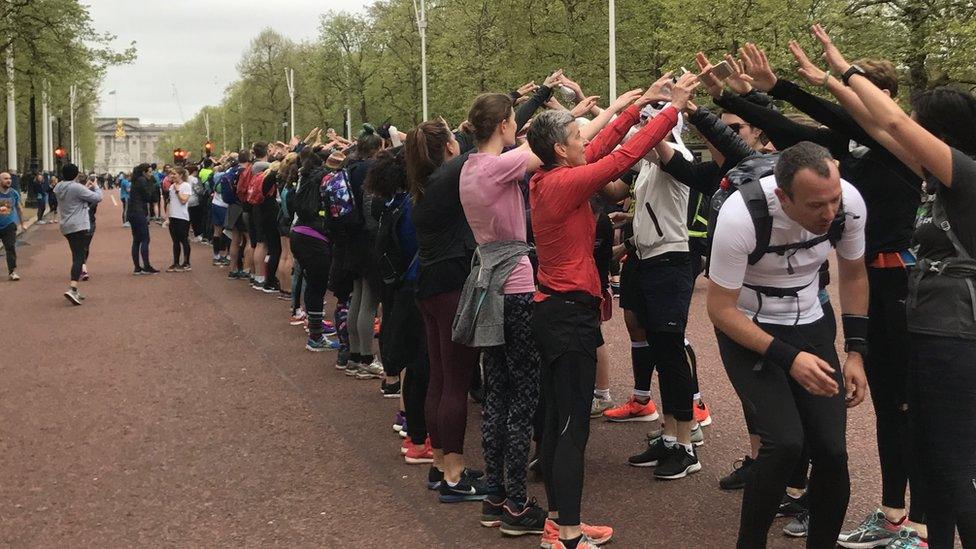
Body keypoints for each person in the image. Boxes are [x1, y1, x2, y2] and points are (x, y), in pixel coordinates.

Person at [811, 23, 976, 548]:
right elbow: (878, 128)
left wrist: (847, 68)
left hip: (957, 336)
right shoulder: (938, 175)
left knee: (951, 463)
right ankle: (929, 537)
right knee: (929, 455)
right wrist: (833, 77)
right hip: (930, 330)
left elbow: (892, 121)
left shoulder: (966, 175)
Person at [525, 72, 699, 549]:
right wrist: (670, 110)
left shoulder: (549, 177)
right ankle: (567, 534)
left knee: (562, 420)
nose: (584, 139)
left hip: (558, 310)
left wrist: (639, 104)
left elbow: (602, 148)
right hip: (567, 315)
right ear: (561, 149)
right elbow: (619, 156)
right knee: (570, 428)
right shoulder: (560, 183)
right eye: (575, 136)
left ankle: (559, 523)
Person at [707, 141, 868, 548]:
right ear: (783, 196)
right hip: (747, 327)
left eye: (833, 200)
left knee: (832, 453)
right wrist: (789, 358)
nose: (829, 213)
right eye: (816, 205)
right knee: (783, 444)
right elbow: (720, 310)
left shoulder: (848, 203)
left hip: (811, 322)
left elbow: (853, 275)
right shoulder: (740, 216)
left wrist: (855, 352)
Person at [406, 119, 487, 503]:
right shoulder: (447, 177)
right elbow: (488, 145)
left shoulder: (424, 185)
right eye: (455, 139)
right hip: (450, 285)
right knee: (455, 381)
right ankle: (455, 475)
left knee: (440, 379)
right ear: (449, 149)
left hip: (431, 287)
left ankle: (441, 464)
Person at [53, 163, 102, 305]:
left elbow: (74, 196)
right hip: (78, 225)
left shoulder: (59, 187)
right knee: (79, 257)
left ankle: (75, 289)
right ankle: (73, 288)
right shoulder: (76, 187)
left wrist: (84, 188)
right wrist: (96, 186)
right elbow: (97, 198)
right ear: (75, 174)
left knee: (76, 255)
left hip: (66, 225)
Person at [127, 164, 158, 275]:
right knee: (145, 239)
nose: (151, 174)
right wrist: (153, 185)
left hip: (132, 212)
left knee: (136, 240)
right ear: (144, 172)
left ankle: (137, 267)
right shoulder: (142, 180)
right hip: (138, 211)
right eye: (149, 172)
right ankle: (146, 266)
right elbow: (148, 197)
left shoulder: (136, 180)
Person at [0, 171, 26, 281]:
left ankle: (12, 271)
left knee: (10, 248)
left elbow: (19, 209)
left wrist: (22, 223)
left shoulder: (14, 193)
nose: (9, 180)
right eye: (5, 178)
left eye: (10, 178)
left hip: (9, 225)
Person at [166, 167, 192, 272]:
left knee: (184, 240)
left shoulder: (186, 186)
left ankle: (186, 262)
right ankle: (176, 262)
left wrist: (177, 191)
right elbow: (169, 202)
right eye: (172, 174)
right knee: (175, 241)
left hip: (182, 217)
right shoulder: (171, 187)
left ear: (181, 175)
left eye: (175, 174)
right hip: (173, 216)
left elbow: (184, 201)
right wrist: (167, 217)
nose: (173, 176)